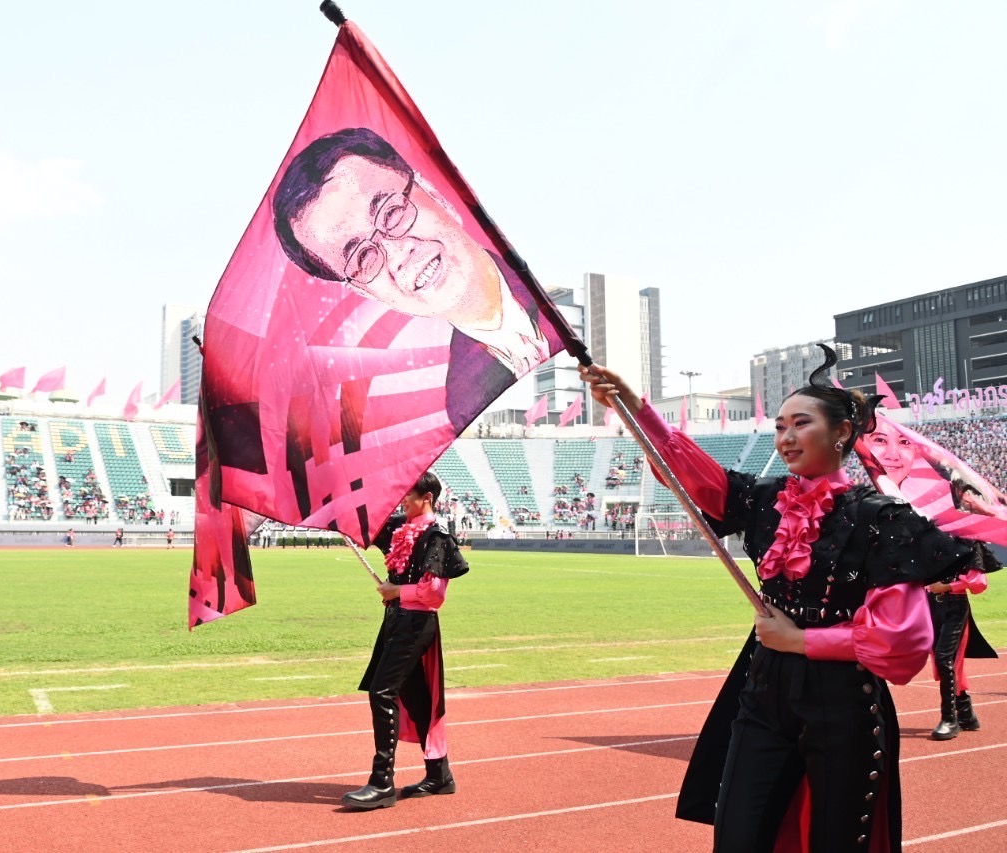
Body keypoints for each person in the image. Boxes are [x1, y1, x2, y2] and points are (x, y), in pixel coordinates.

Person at [581, 345, 974, 852]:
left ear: (841, 434)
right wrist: (634, 406)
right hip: (762, 694)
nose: (786, 438)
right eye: (780, 426)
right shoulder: (765, 501)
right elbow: (692, 473)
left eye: (801, 424)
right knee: (739, 837)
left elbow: (902, 644)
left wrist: (801, 640)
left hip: (843, 704)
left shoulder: (882, 520)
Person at [273, 127, 563, 431]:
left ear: (433, 192)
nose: (399, 253)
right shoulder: (462, 394)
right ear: (365, 292)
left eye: (391, 213)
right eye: (362, 257)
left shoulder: (559, 305)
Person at [858, 416, 999, 740]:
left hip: (953, 605)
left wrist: (944, 586)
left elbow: (978, 582)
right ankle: (966, 713)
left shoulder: (968, 537)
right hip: (928, 605)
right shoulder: (929, 532)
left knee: (946, 659)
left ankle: (949, 719)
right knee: (941, 661)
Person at [341, 470, 469, 811]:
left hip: (416, 624)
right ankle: (439, 775)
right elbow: (366, 523)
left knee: (381, 692)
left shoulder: (438, 536)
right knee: (415, 699)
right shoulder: (401, 527)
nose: (403, 501)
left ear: (426, 498)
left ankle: (382, 782)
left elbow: (434, 594)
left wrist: (397, 590)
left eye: (408, 496)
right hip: (397, 622)